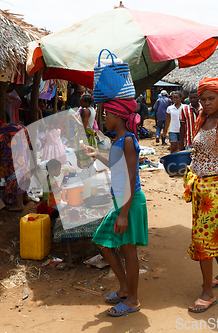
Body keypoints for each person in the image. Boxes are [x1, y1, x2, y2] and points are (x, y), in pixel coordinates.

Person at [82, 99, 148, 317]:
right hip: (122, 201)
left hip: (129, 202)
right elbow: (116, 163)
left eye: (108, 114)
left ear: (118, 117)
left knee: (129, 251)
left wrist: (123, 214)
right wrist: (96, 154)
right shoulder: (120, 139)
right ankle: (125, 289)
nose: (104, 118)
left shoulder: (127, 140)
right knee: (103, 242)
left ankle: (133, 300)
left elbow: (130, 176)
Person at [183, 77, 218, 313]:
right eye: (203, 99)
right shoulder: (204, 120)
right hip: (199, 188)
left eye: (211, 98)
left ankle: (208, 293)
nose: (206, 103)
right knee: (212, 235)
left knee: (202, 241)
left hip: (216, 191)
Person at [72, 93, 97, 169]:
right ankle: (88, 170)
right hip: (88, 135)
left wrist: (74, 118)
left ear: (86, 103)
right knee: (88, 156)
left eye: (81, 102)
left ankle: (85, 171)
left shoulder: (86, 111)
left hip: (84, 136)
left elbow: (83, 127)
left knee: (83, 154)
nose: (80, 104)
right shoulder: (92, 110)